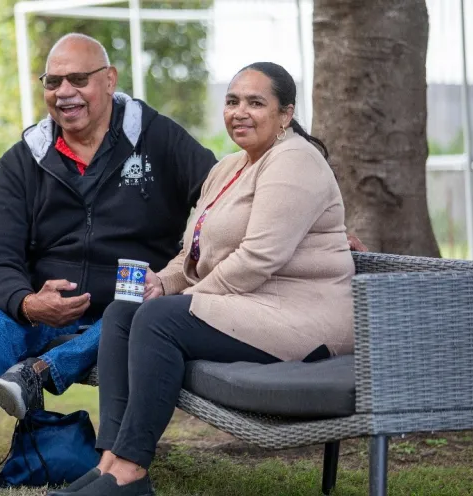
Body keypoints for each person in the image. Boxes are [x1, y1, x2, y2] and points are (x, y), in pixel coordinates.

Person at [0, 33, 218, 495]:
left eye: (78, 79)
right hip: (44, 310)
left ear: (109, 81)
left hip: (132, 305)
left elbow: (223, 194)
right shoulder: (22, 161)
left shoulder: (158, 138)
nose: (64, 92)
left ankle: (38, 374)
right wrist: (27, 303)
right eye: (53, 81)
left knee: (130, 316)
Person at [54, 62, 356, 496]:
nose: (240, 112)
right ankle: (109, 463)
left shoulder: (294, 161)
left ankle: (131, 471)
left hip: (301, 318)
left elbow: (257, 259)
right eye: (232, 101)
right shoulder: (229, 167)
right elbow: (192, 254)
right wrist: (162, 284)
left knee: (159, 320)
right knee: (124, 311)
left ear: (286, 113)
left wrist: (181, 299)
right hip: (248, 304)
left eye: (256, 102)